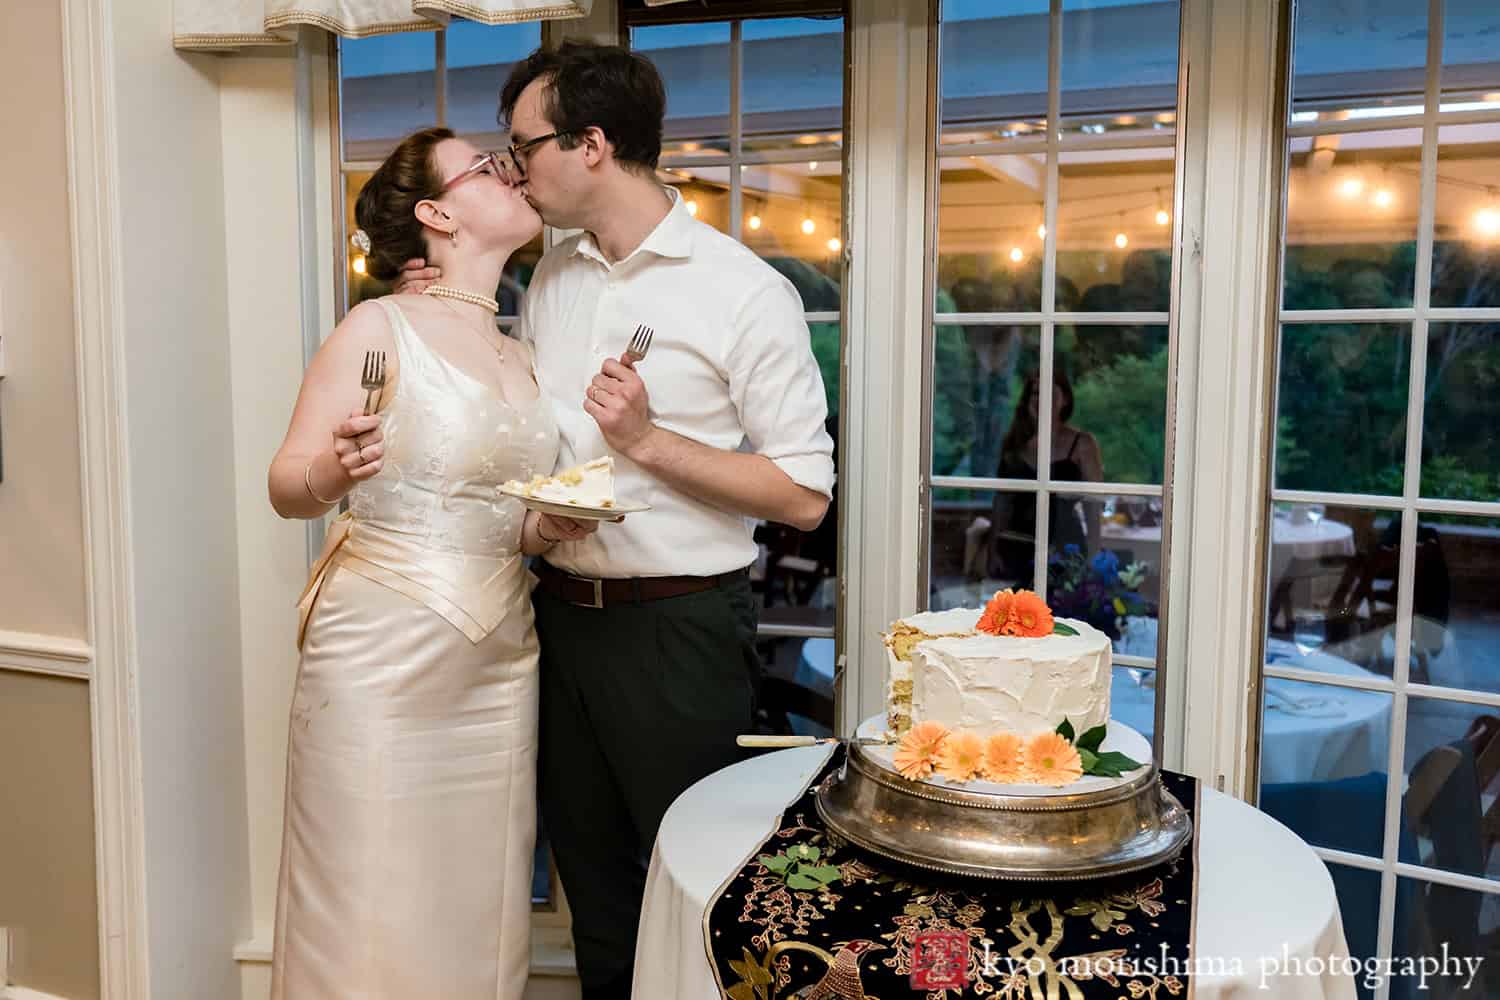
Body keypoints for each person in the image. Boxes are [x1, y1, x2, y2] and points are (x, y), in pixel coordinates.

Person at [398, 41, 835, 998]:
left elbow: (804, 494)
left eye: (525, 147)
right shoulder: (553, 279)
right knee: (593, 893)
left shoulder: (745, 292)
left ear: (592, 143)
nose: (513, 170)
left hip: (677, 628)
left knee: (700, 885)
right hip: (553, 617)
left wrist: (648, 439)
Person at [265, 126, 599, 999]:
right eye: (489, 166)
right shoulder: (378, 327)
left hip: (498, 655)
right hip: (383, 654)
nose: (511, 172)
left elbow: (496, 513)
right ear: (435, 213)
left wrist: (546, 526)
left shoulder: (518, 354)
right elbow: (287, 486)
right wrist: (335, 469)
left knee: (478, 896)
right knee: (371, 894)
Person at [987, 370, 1103, 584]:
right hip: (1016, 548)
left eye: (1051, 393)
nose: (1042, 399)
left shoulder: (1083, 444)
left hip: (1065, 547)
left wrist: (1095, 554)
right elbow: (1002, 502)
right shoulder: (1014, 443)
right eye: (1036, 393)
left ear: (1065, 400)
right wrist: (993, 550)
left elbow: (1093, 505)